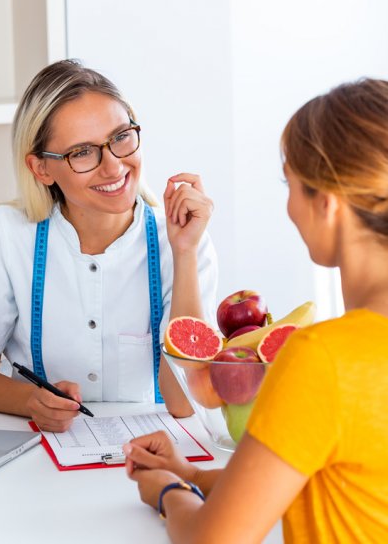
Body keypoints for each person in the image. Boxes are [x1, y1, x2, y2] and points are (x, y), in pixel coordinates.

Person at [124, 78, 388, 543]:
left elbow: (215, 539)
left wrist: (169, 492)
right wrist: (193, 474)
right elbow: (329, 479)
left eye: (292, 182)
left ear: (326, 203)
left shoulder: (323, 359)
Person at [0, 59, 218, 432]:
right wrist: (31, 402)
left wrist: (185, 253)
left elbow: (183, 401)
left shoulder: (181, 239)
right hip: (40, 457)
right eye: (83, 152)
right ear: (42, 169)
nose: (113, 167)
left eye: (121, 136)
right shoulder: (9, 235)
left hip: (157, 452)